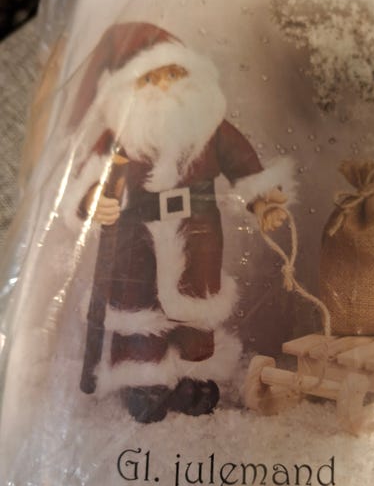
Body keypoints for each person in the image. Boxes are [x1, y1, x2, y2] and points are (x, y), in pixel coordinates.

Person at [65, 22, 296, 423]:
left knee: (195, 307)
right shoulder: (120, 137)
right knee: (138, 307)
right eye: (150, 78)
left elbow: (244, 165)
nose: (164, 86)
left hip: (198, 234)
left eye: (173, 73)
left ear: (192, 75)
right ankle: (144, 380)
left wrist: (263, 202)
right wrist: (92, 200)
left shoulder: (210, 128)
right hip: (134, 238)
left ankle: (194, 377)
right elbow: (91, 178)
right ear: (128, 88)